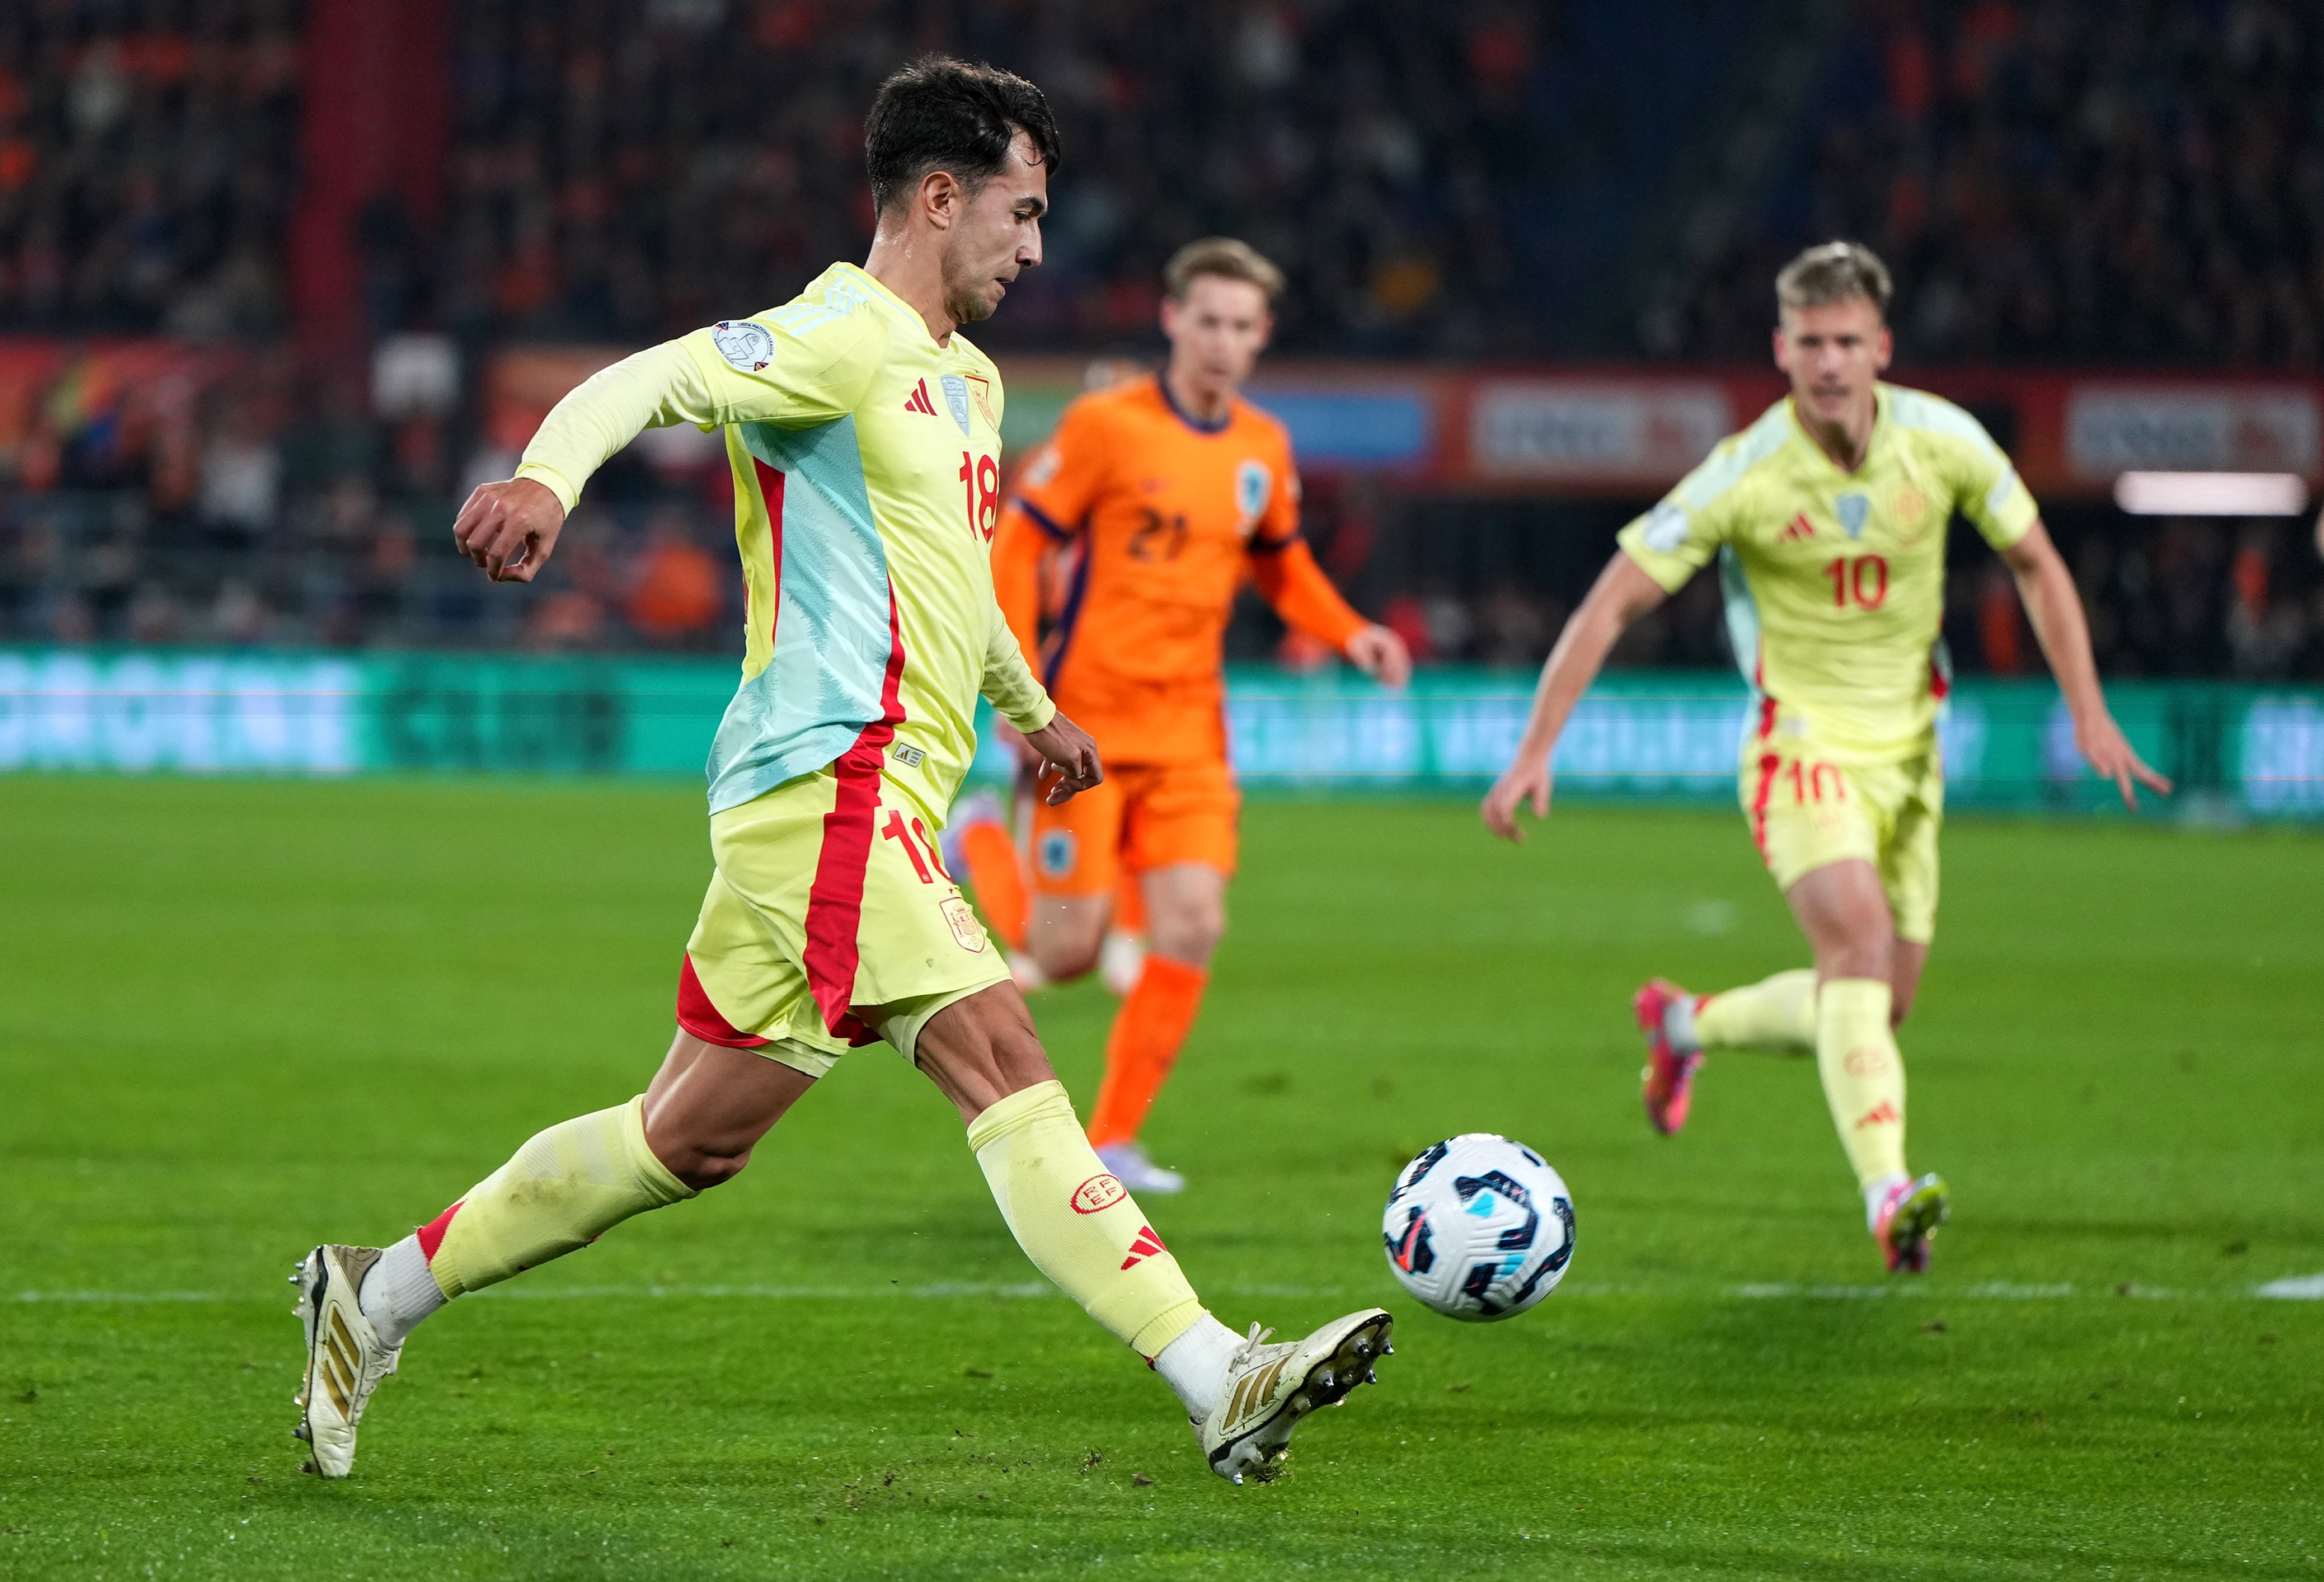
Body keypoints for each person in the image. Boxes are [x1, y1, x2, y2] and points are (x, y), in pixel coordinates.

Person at [290, 57, 1388, 1489]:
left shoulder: (972, 380)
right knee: (998, 1049)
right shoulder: (838, 334)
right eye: (1021, 211)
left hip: (871, 795)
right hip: (833, 777)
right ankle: (1212, 1370)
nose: (1037, 248)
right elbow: (647, 376)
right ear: (939, 196)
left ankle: (365, 1295)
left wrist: (1031, 705)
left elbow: (960, 578)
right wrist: (545, 478)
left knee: (685, 1134)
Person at [1480, 241, 2169, 1273]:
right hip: (1797, 745)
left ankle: (1683, 1024)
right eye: (1810, 342)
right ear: (1781, 348)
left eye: (1848, 340)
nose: (1830, 361)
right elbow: (1613, 597)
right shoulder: (1745, 472)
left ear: (1880, 345)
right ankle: (1886, 1192)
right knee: (1853, 949)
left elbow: (2035, 560)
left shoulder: (1942, 442)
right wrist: (1535, 746)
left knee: (1877, 1006)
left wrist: (2086, 708)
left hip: (1910, 755)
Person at [951, 238, 1411, 1195]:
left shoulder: (1261, 448)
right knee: (1060, 953)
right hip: (1084, 732)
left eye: (1241, 325)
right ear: (1171, 319)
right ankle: (982, 839)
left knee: (1192, 923)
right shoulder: (1105, 427)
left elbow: (1278, 562)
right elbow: (1017, 547)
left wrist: (1348, 629)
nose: (1221, 340)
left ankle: (1113, 1137)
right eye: (1206, 319)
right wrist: (1019, 685)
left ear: (1261, 336)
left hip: (1192, 736)